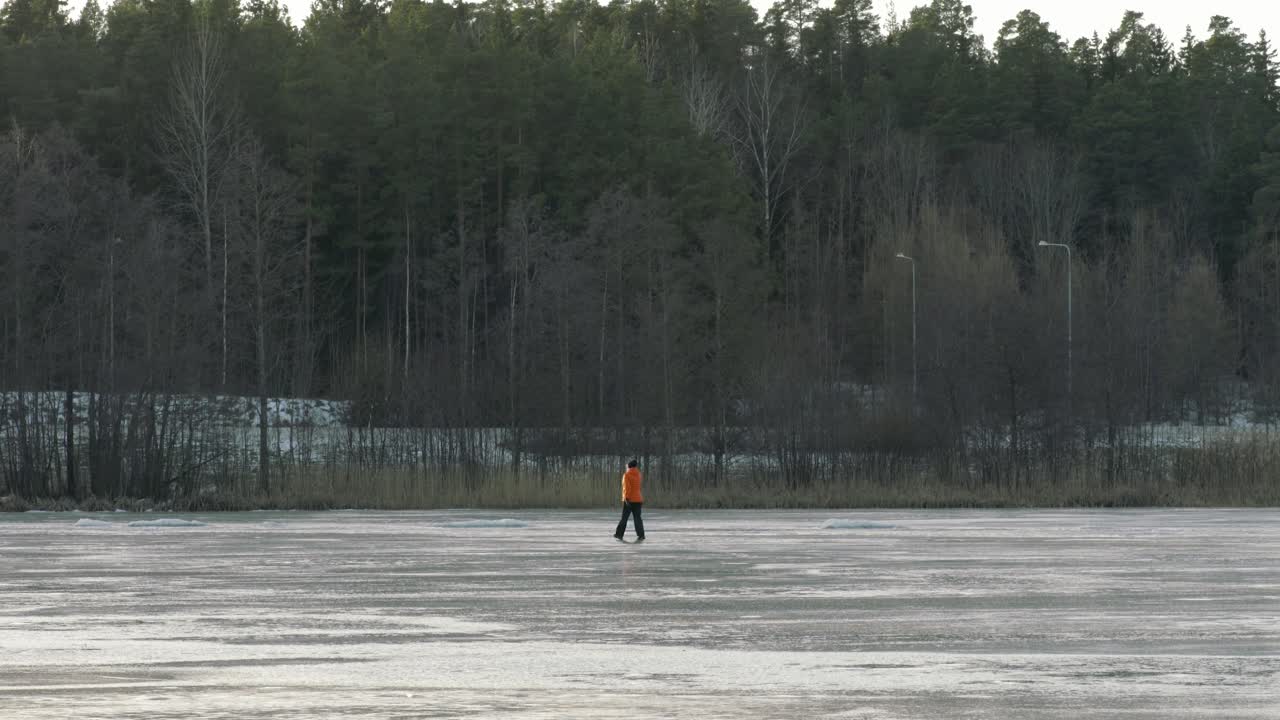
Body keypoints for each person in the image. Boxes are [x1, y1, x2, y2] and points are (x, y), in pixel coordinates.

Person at [614, 460, 645, 541]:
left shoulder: (627, 475)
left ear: (629, 466)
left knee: (624, 518)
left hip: (629, 500)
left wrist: (626, 498)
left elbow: (626, 488)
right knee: (637, 518)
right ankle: (641, 535)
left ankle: (619, 534)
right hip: (638, 499)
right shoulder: (638, 474)